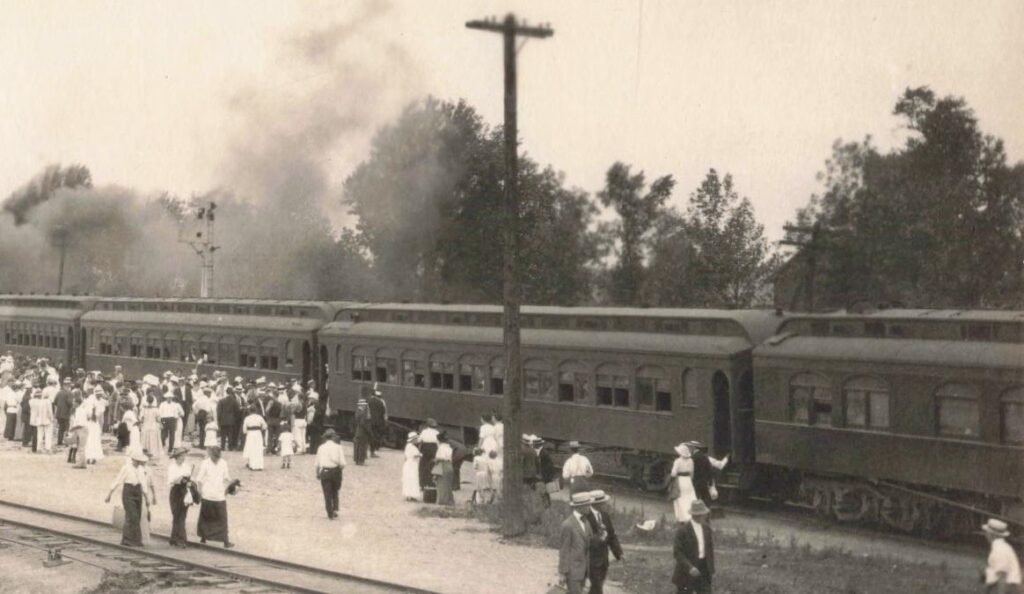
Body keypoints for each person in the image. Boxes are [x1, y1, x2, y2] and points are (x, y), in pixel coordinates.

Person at [105, 452, 151, 547]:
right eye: (136, 461)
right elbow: (118, 480)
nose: (138, 463)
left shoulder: (141, 470)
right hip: (128, 491)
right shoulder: (126, 468)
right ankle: (127, 539)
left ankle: (136, 540)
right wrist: (109, 494)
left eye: (139, 461)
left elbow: (143, 484)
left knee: (137, 516)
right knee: (132, 515)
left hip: (138, 491)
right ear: (133, 460)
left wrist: (146, 497)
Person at [583, 490, 623, 594]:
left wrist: (618, 552)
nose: (606, 504)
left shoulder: (605, 516)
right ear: (597, 504)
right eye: (604, 502)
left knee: (597, 585)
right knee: (597, 586)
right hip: (591, 559)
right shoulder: (586, 516)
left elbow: (611, 535)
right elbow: (584, 538)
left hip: (603, 559)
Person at [672, 500, 715, 594]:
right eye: (702, 514)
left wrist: (710, 569)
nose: (704, 516)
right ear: (695, 515)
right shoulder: (683, 531)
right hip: (687, 570)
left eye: (704, 513)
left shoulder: (707, 529)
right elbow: (677, 552)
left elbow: (710, 550)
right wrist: (689, 567)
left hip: (704, 567)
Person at [195, 446, 234, 548]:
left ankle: (225, 540)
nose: (216, 459)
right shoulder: (205, 463)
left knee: (222, 518)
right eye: (214, 457)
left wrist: (233, 484)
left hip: (220, 495)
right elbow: (199, 479)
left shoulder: (223, 463)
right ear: (210, 455)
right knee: (206, 518)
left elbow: (226, 477)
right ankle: (203, 537)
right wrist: (199, 491)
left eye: (218, 457)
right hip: (207, 494)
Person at [558, 492, 593, 594]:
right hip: (572, 572)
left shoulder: (586, 523)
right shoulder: (567, 525)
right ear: (580, 506)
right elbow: (564, 550)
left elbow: (589, 544)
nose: (589, 507)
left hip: (584, 570)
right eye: (588, 505)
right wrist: (562, 573)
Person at [982, 518, 1022, 594]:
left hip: (1007, 589)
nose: (985, 534)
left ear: (991, 534)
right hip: (1003, 587)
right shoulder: (1003, 547)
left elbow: (1002, 577)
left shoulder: (999, 550)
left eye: (986, 532)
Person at [315, 429, 346, 519]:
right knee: (335, 491)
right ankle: (335, 508)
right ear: (333, 437)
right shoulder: (338, 447)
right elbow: (343, 463)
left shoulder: (321, 447)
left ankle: (330, 513)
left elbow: (317, 463)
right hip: (335, 471)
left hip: (324, 472)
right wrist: (340, 470)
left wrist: (317, 473)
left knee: (327, 493)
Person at [167, 447, 194, 548]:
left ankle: (177, 538)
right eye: (182, 456)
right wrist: (180, 479)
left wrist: (188, 482)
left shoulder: (186, 466)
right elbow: (170, 480)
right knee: (176, 515)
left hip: (184, 491)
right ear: (177, 457)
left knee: (182, 515)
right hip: (176, 491)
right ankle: (179, 539)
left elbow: (189, 478)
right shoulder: (172, 467)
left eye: (184, 456)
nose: (184, 458)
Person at [670, 443, 698, 523]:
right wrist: (690, 480)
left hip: (680, 480)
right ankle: (693, 515)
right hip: (688, 481)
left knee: (680, 498)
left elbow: (673, 473)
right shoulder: (691, 461)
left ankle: (682, 517)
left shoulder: (677, 461)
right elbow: (692, 473)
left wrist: (672, 478)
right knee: (690, 498)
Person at [418, 418, 440, 504]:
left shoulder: (424, 432)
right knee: (431, 467)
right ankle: (430, 483)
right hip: (433, 449)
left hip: (425, 449)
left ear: (427, 425)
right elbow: (438, 443)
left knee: (422, 467)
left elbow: (419, 441)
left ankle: (422, 484)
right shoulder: (437, 433)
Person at [242, 406, 268, 471]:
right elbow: (265, 426)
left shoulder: (247, 418)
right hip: (258, 433)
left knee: (251, 449)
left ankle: (252, 465)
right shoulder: (260, 417)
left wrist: (246, 432)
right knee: (258, 449)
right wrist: (260, 429)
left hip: (250, 434)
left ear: (249, 411)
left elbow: (244, 430)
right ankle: (259, 466)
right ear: (256, 411)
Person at [84, 388, 105, 464]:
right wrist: (92, 414)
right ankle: (89, 457)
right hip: (90, 423)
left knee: (94, 440)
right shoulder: (91, 400)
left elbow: (99, 413)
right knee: (90, 440)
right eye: (100, 395)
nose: (101, 396)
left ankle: (92, 457)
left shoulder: (98, 401)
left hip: (94, 423)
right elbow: (89, 413)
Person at [434, 431, 455, 505]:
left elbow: (441, 458)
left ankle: (443, 501)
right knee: (448, 484)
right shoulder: (449, 447)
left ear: (440, 440)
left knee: (441, 483)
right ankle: (450, 500)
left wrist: (436, 460)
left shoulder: (441, 447)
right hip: (450, 465)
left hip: (443, 465)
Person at [536, 436, 558, 507]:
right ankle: (547, 503)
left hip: (546, 474)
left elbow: (545, 464)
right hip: (547, 473)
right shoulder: (543, 451)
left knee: (544, 489)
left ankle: (546, 503)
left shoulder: (542, 452)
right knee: (545, 490)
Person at [367, 384, 388, 457]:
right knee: (376, 436)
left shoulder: (369, 401)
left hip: (370, 421)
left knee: (370, 435)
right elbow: (383, 412)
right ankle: (373, 451)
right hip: (378, 422)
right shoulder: (381, 402)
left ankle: (370, 451)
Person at [217, 387, 240, 451]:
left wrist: (219, 420)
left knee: (223, 434)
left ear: (226, 392)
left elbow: (219, 412)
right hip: (231, 420)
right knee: (230, 434)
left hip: (223, 419)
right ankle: (230, 447)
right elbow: (237, 411)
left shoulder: (221, 401)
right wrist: (235, 419)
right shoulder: (234, 401)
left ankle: (222, 447)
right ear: (232, 392)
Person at [140, 394, 162, 458]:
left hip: (146, 426)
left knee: (145, 440)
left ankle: (145, 453)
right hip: (153, 426)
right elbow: (158, 419)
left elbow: (142, 419)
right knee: (153, 440)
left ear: (147, 401)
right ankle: (152, 453)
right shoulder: (156, 409)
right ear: (153, 401)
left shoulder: (143, 409)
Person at [402, 432, 422, 501]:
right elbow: (415, 455)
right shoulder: (412, 447)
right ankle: (412, 495)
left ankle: (408, 495)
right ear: (413, 439)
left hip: (408, 464)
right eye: (416, 439)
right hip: (412, 464)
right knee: (412, 479)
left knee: (408, 479)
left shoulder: (408, 446)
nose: (417, 440)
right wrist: (420, 455)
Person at [54, 379, 73, 446]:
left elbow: (55, 402)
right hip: (66, 413)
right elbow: (70, 403)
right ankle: (66, 442)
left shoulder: (59, 392)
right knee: (67, 428)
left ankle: (59, 441)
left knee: (61, 428)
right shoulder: (69, 393)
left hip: (59, 413)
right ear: (68, 385)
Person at [353, 398, 371, 465]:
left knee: (358, 446)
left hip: (358, 431)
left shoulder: (358, 411)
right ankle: (361, 461)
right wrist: (368, 430)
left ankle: (357, 460)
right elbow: (363, 423)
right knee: (362, 446)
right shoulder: (362, 412)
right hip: (362, 432)